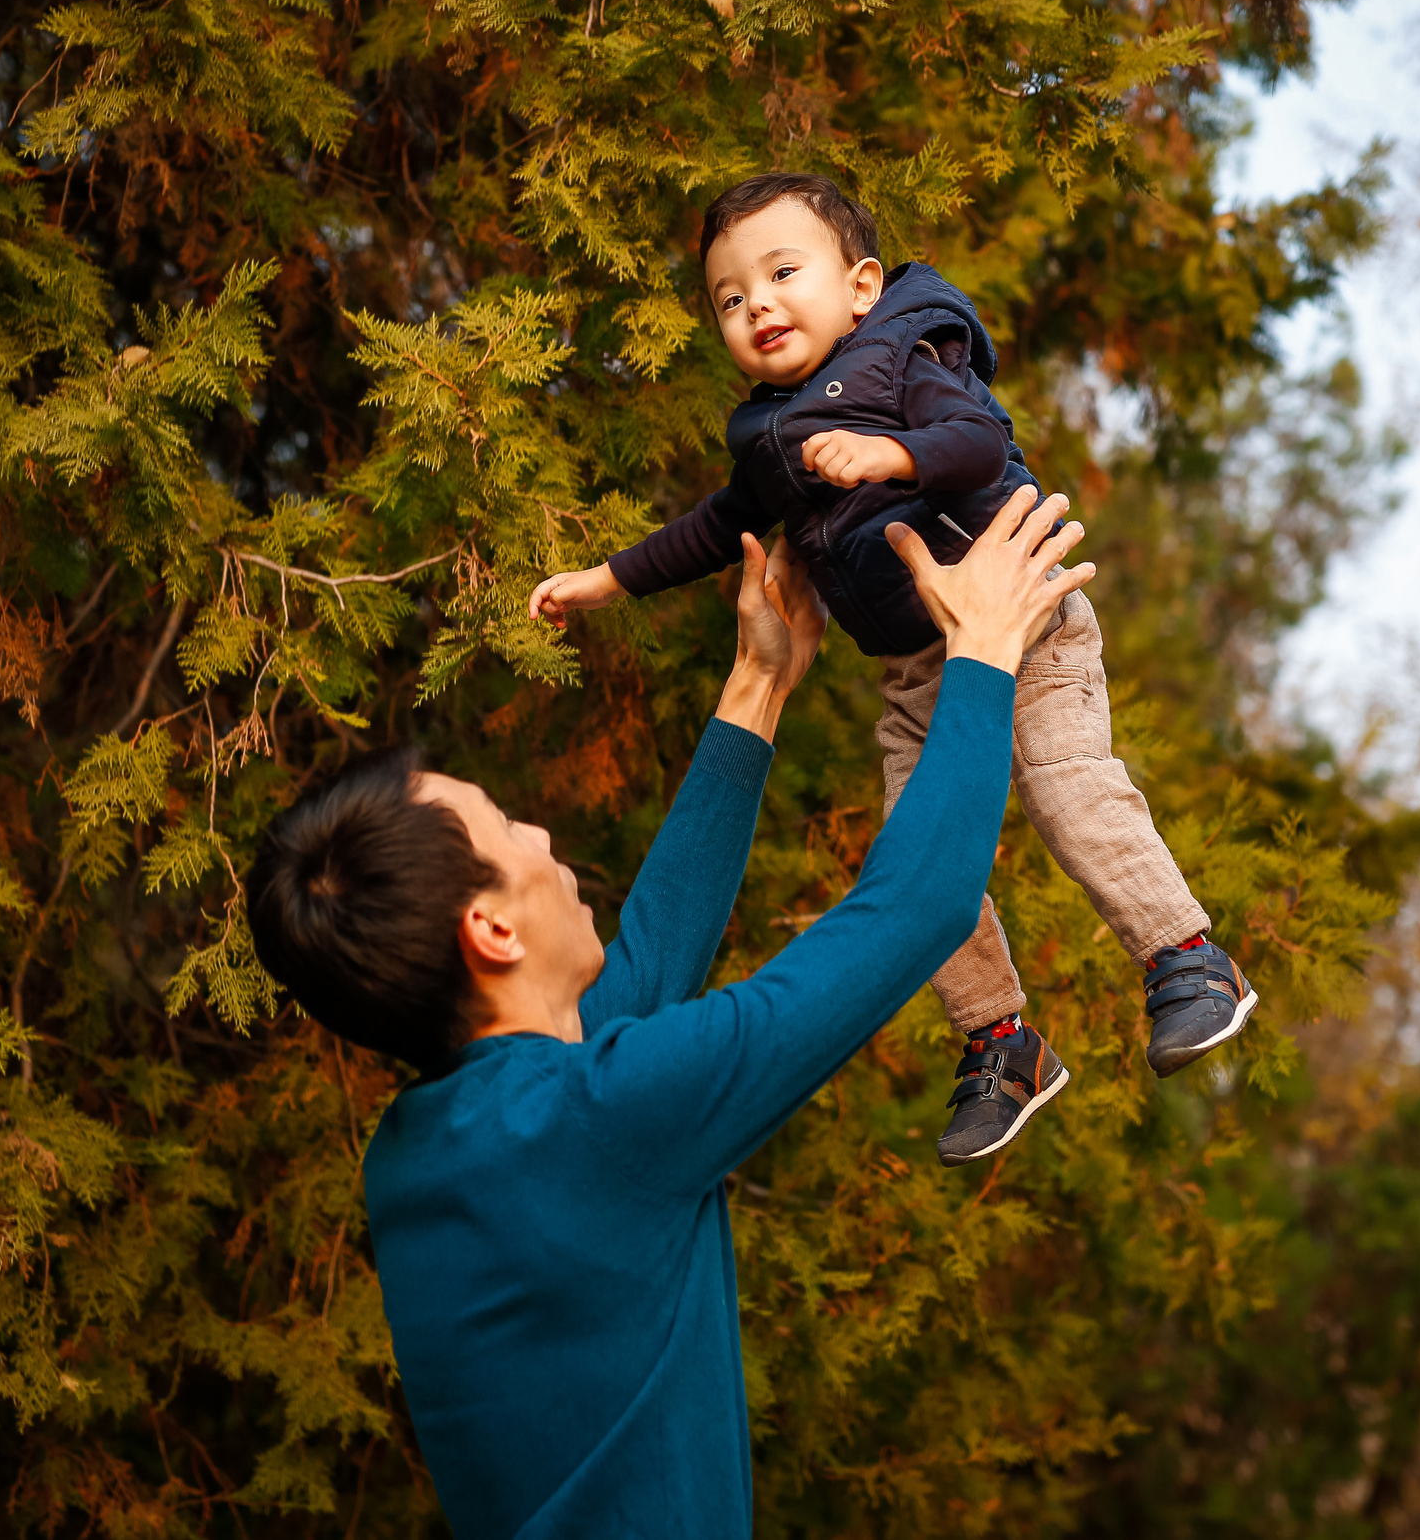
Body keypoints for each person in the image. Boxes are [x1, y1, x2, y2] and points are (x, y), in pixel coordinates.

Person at [245, 487, 1090, 1540]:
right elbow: (915, 908)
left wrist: (759, 683)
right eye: (512, 834)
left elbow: (628, 988)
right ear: (491, 932)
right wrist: (982, 652)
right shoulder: (598, 1119)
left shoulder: (427, 1153)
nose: (545, 839)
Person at [527, 173, 1256, 1167]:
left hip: (1023, 624)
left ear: (861, 286)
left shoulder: (906, 356)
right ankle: (1001, 1042)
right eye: (731, 299)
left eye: (783, 274)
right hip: (918, 674)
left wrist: (893, 460)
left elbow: (975, 441)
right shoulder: (770, 435)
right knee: (913, 857)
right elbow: (714, 527)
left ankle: (1187, 958)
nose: (759, 306)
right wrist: (604, 580)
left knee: (1061, 784)